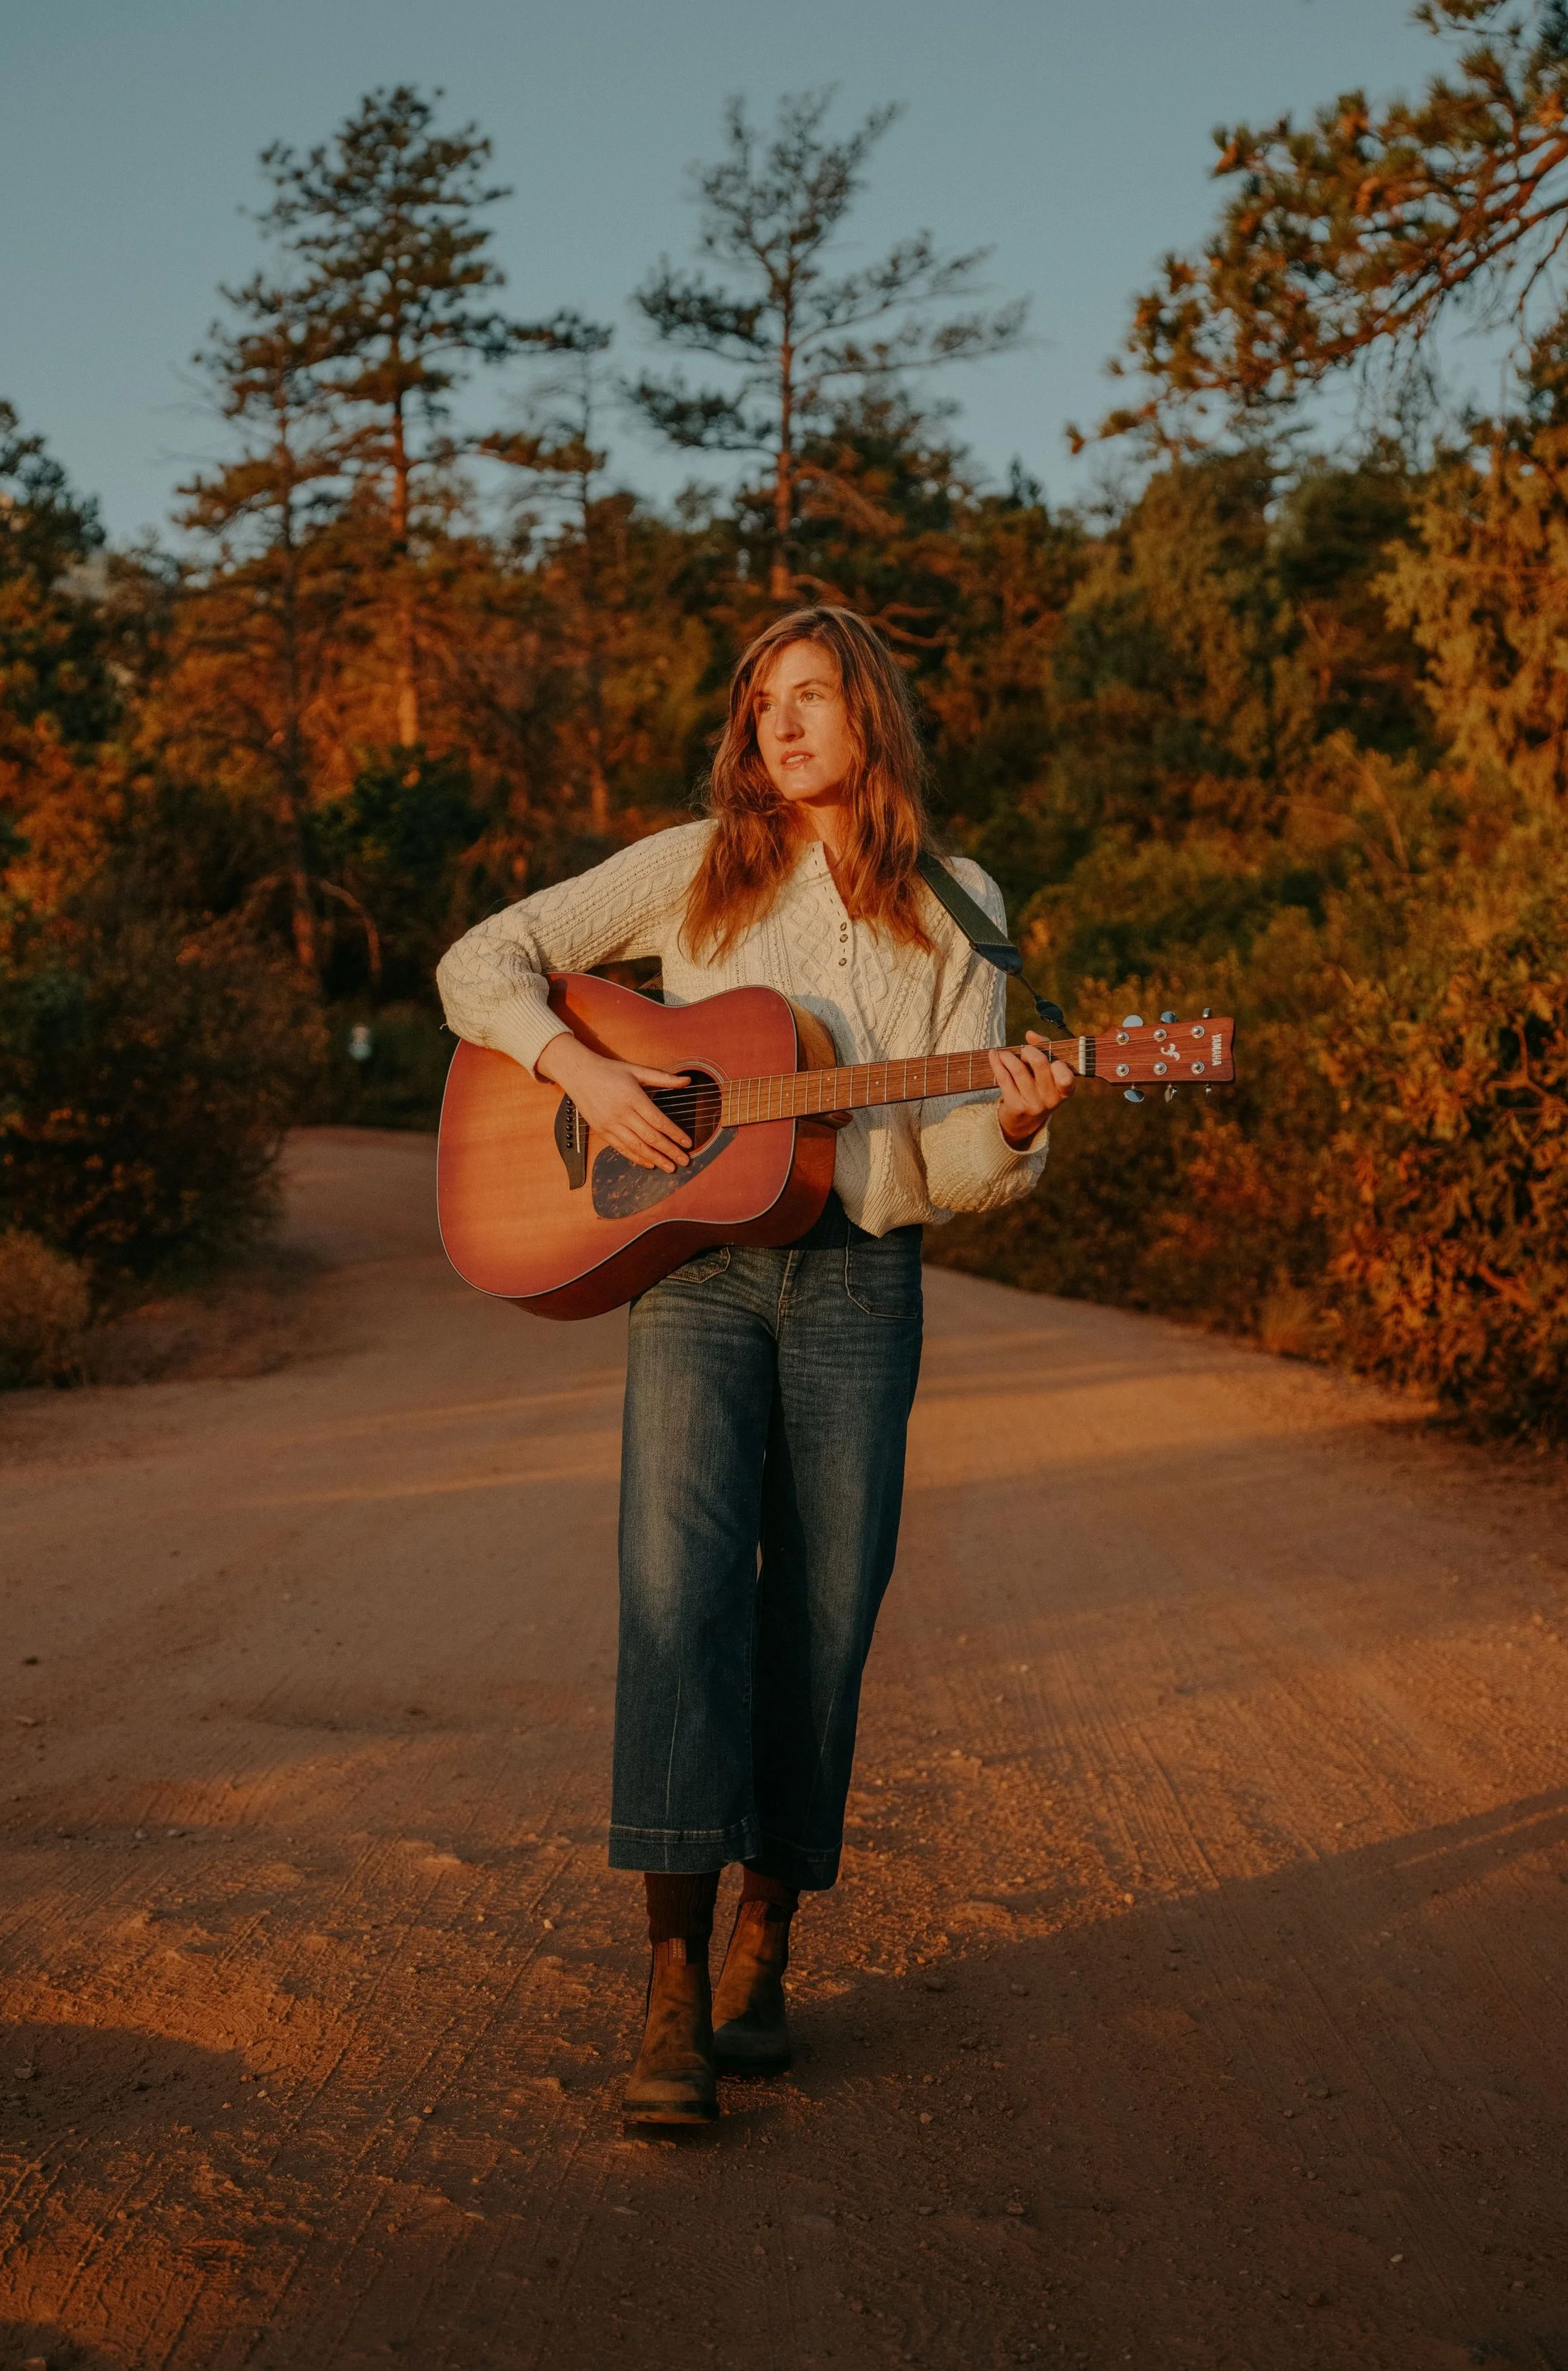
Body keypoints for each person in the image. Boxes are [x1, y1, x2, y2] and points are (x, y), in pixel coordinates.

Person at [435, 607, 1074, 2126]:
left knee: (824, 1617)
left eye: (812, 697)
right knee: (674, 1598)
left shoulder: (957, 905)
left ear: (872, 717)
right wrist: (581, 1064)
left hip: (858, 1276)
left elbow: (948, 1155)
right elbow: (485, 960)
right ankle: (665, 1989)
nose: (781, 726)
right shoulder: (696, 865)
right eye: (762, 702)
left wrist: (1022, 1122)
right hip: (694, 1274)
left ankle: (763, 1940)